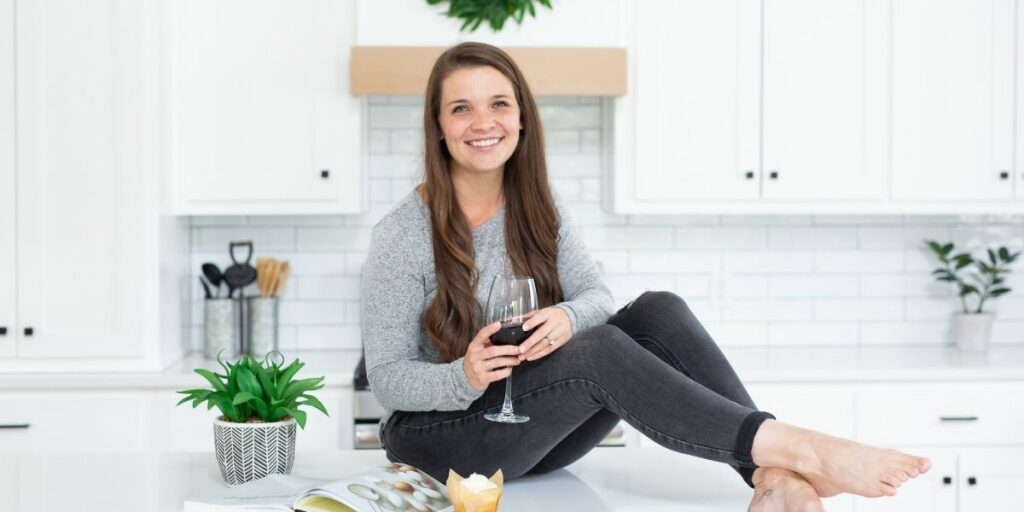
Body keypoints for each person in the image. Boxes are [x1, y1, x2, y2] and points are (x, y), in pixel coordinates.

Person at [360, 42, 931, 512]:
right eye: (461, 108)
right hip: (437, 444)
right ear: (437, 126)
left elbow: (597, 298)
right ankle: (798, 450)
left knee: (658, 310)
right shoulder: (402, 234)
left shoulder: (536, 205)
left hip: (530, 430)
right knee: (599, 350)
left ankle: (769, 473)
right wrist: (463, 374)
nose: (483, 122)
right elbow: (385, 378)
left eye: (499, 104)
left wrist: (564, 315)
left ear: (522, 118)